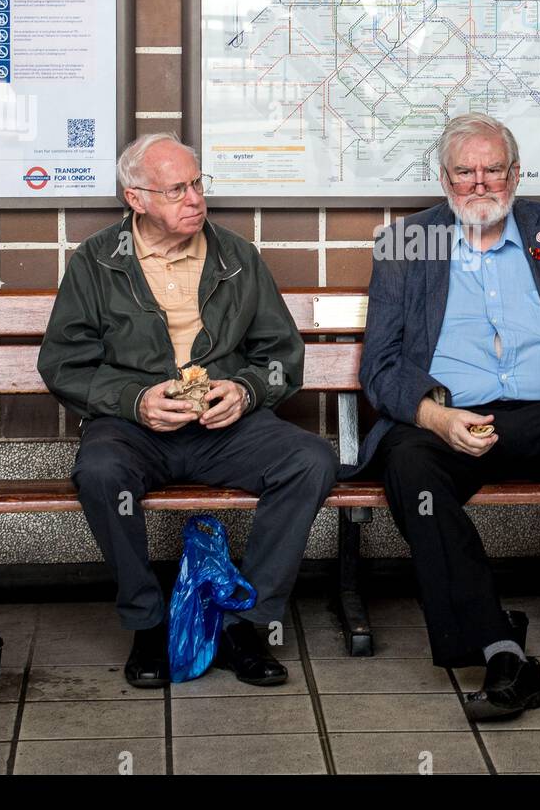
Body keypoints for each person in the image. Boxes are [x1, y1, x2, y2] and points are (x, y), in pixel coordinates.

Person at [356, 114, 540, 721]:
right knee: (408, 466)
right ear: (444, 178)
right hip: (452, 420)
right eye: (466, 172)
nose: (480, 183)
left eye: (494, 170)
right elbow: (380, 368)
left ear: (516, 174)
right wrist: (435, 417)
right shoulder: (406, 243)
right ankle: (498, 643)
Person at [38, 133, 337, 689]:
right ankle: (148, 622)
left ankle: (243, 623)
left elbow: (282, 358)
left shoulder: (237, 257)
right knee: (100, 473)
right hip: (134, 429)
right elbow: (63, 365)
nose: (195, 199)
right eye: (176, 190)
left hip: (226, 428)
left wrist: (245, 391)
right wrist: (134, 400)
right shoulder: (97, 262)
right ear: (137, 198)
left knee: (310, 460)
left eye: (197, 184)